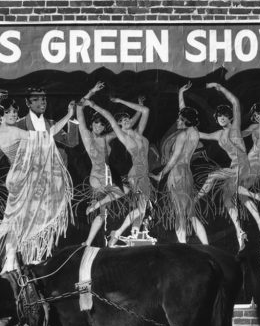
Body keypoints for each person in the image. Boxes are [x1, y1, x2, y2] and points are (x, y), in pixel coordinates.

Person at [0, 92, 76, 279]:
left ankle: (5, 268)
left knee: (13, 227)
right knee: (7, 225)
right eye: (9, 113)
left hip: (18, 178)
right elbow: (48, 134)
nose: (13, 115)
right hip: (21, 181)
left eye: (14, 112)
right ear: (1, 117)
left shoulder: (0, 131)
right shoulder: (14, 131)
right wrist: (68, 116)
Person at [193, 83, 260, 248]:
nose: (221, 118)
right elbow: (199, 134)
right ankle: (241, 231)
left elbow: (235, 102)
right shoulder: (217, 134)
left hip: (243, 165)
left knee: (213, 176)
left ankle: (197, 198)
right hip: (234, 167)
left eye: (224, 115)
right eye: (219, 116)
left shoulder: (234, 129)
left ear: (230, 118)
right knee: (228, 199)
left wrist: (220, 88)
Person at [84, 95, 153, 245]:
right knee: (141, 207)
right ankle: (119, 232)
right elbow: (109, 117)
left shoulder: (139, 133)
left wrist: (123, 101)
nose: (125, 121)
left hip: (144, 174)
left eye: (127, 119)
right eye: (121, 121)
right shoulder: (123, 137)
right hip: (136, 175)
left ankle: (129, 234)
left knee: (141, 208)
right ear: (119, 126)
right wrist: (93, 105)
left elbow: (145, 110)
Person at [151, 82, 208, 245]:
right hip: (187, 174)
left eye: (180, 119)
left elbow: (174, 158)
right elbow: (184, 112)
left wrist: (161, 174)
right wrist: (180, 94)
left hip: (177, 174)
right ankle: (206, 245)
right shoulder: (195, 132)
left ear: (186, 122)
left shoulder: (182, 136)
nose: (177, 120)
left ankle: (182, 245)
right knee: (190, 213)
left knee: (179, 213)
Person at [74, 82, 120, 246]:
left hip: (108, 177)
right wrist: (91, 91)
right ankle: (90, 240)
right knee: (103, 210)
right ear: (91, 124)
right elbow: (79, 109)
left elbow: (122, 130)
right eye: (96, 123)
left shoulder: (106, 138)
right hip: (97, 178)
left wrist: (129, 120)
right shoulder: (87, 136)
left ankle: (94, 240)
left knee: (106, 211)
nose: (99, 126)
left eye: (102, 124)